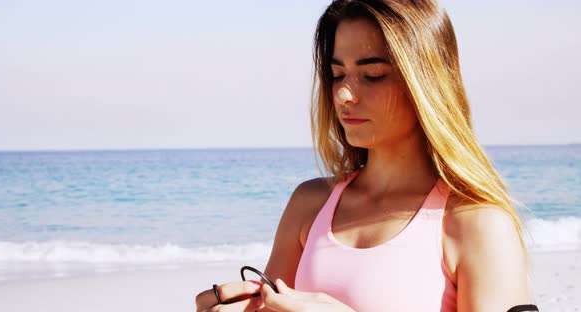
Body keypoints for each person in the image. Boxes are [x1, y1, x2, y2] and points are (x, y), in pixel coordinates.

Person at [195, 0, 537, 311]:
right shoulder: (309, 205)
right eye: (337, 74)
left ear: (427, 83)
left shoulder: (477, 223)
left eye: (373, 75)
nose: (343, 94)